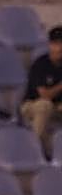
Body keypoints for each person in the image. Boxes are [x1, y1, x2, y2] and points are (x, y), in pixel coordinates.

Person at [20, 25, 62, 157]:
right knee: (44, 105)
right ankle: (33, 151)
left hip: (55, 107)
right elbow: (44, 95)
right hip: (32, 105)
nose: (60, 48)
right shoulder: (41, 64)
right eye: (56, 44)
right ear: (50, 45)